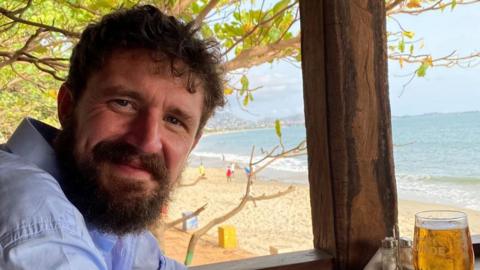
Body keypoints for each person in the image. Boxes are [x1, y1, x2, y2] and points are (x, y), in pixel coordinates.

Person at [0, 5, 224, 270]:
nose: (147, 141)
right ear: (68, 107)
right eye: (123, 103)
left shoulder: (102, 208)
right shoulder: (30, 212)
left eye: (174, 121)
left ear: (192, 144)